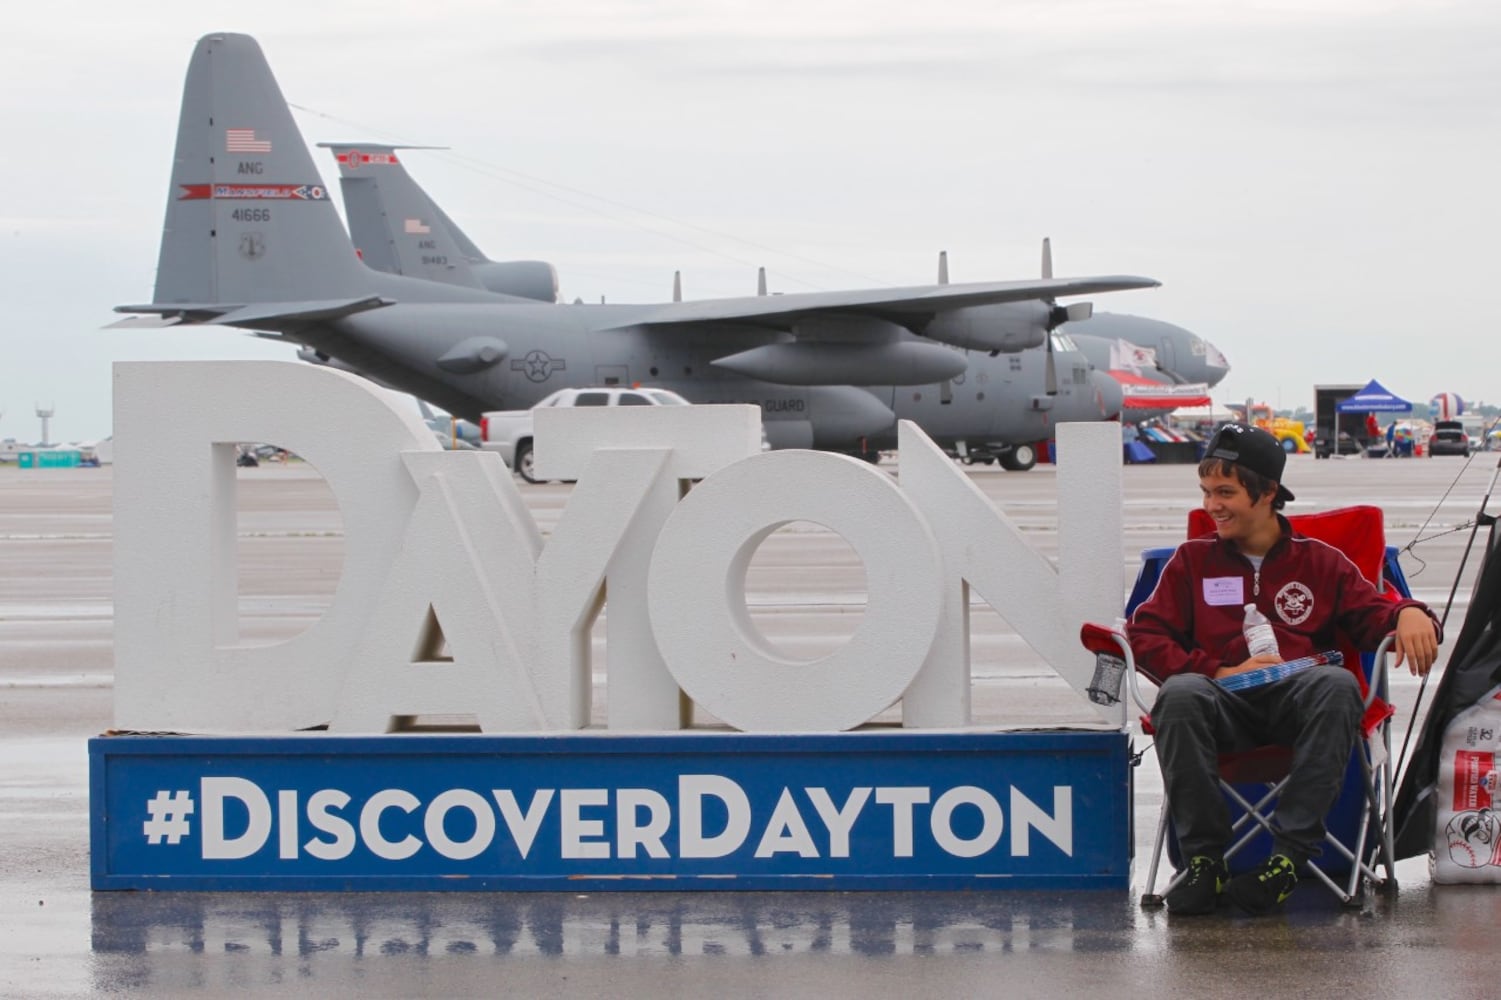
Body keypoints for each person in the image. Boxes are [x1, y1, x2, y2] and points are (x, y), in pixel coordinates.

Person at [1129, 423, 1440, 916]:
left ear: (1268, 492)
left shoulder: (1321, 563)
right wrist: (1218, 670)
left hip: (1300, 708)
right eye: (1207, 493)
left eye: (1226, 492)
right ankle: (1206, 864)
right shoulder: (1191, 562)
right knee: (1182, 693)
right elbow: (1144, 635)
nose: (1212, 506)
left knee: (1338, 685)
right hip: (1220, 707)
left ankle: (1287, 863)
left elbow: (1373, 613)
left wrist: (1410, 611)